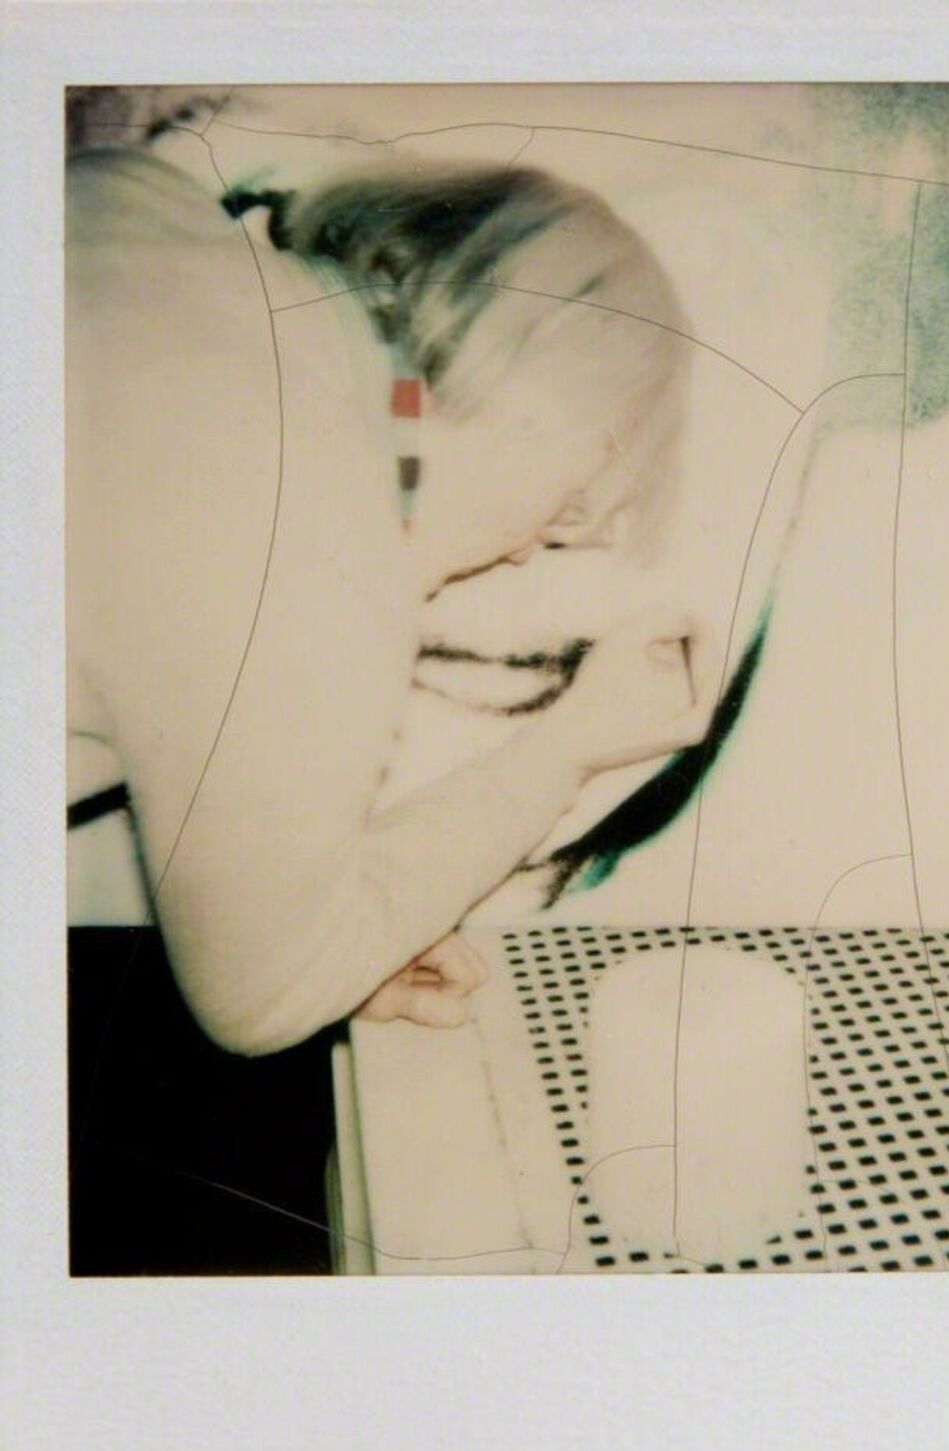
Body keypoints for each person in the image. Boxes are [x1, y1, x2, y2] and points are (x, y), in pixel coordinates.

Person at [65, 143, 711, 1270]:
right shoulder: (314, 540)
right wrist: (566, 746)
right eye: (560, 514)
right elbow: (258, 1000)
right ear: (539, 380)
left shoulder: (143, 203)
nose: (515, 556)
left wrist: (334, 925)